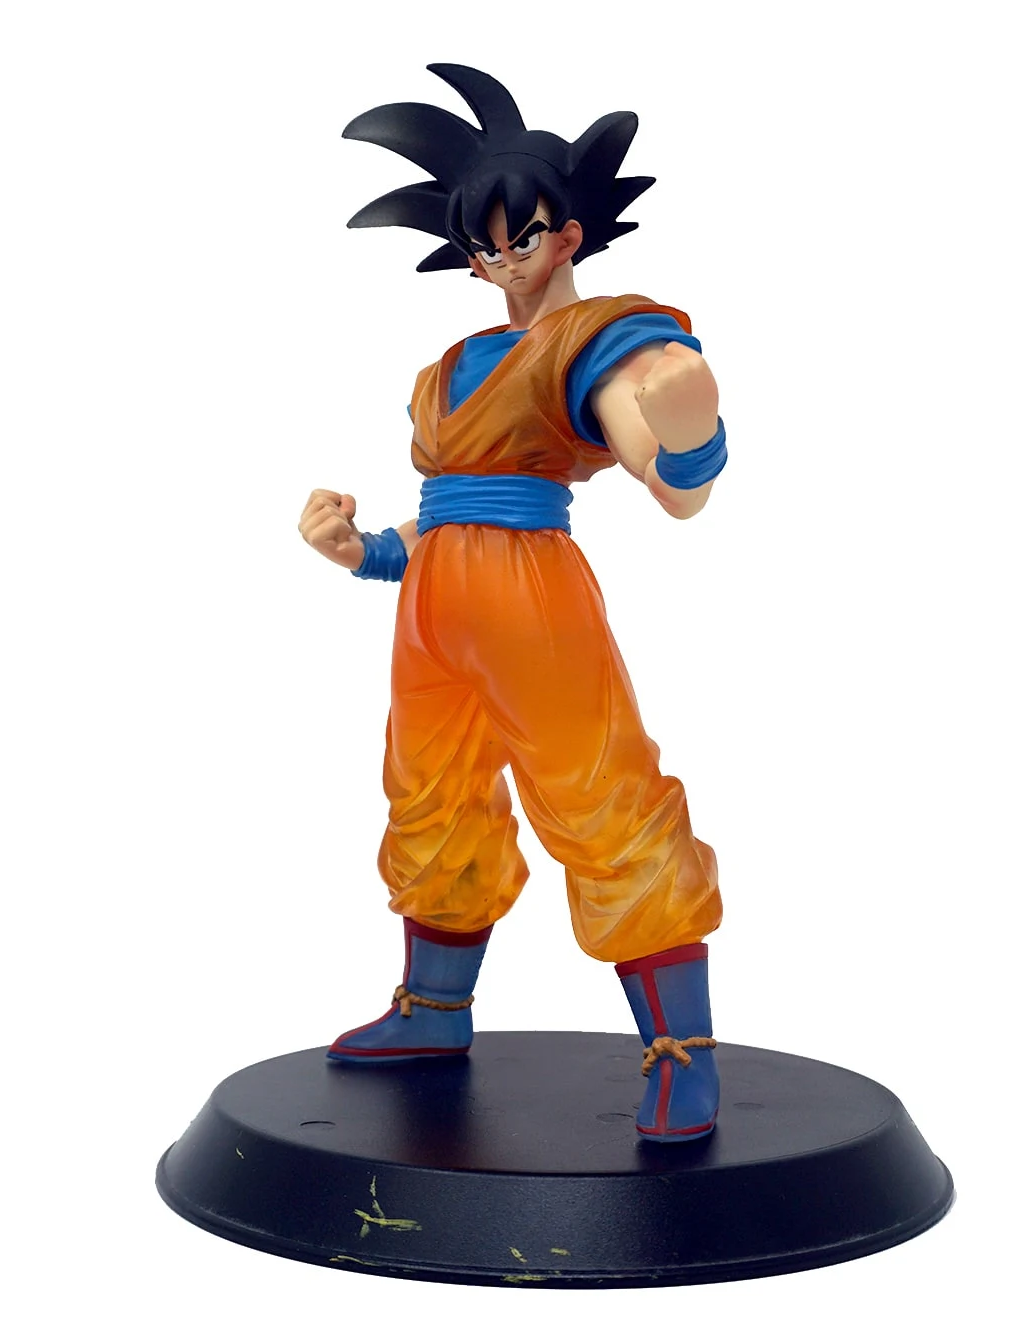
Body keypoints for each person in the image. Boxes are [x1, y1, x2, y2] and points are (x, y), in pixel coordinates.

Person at [297, 65, 728, 1142]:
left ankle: (681, 1049)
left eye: (521, 236)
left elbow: (661, 464)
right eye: (482, 245)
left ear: (568, 233)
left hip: (533, 600)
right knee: (430, 794)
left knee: (598, 792)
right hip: (433, 606)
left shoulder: (601, 337)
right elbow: (445, 512)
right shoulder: (453, 363)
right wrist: (363, 550)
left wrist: (684, 435)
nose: (502, 259)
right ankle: (433, 1010)